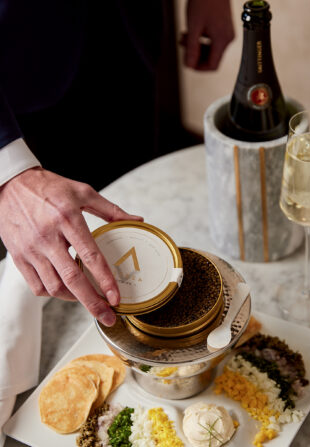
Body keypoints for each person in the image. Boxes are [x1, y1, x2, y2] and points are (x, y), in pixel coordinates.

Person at [0, 0, 234, 327]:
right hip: (16, 69)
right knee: (48, 265)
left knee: (131, 210)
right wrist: (8, 174)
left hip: (128, 28)